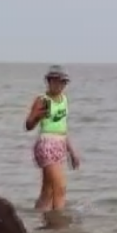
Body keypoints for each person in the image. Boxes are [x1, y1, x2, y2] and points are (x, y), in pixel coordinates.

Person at [24, 65, 79, 211]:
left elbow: (63, 128)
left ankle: (38, 219)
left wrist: (72, 153)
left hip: (60, 144)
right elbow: (28, 125)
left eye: (62, 82)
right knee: (60, 188)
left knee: (47, 192)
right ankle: (58, 228)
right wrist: (37, 116)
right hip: (47, 145)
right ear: (49, 81)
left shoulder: (64, 100)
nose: (59, 85)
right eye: (55, 81)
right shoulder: (42, 100)